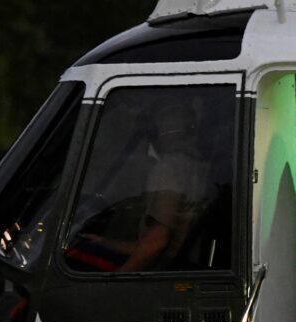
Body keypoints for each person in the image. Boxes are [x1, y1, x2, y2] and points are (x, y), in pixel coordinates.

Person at [80, 102, 212, 272]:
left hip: (159, 272)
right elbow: (150, 243)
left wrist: (117, 280)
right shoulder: (199, 168)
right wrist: (105, 242)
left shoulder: (168, 168)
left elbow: (157, 242)